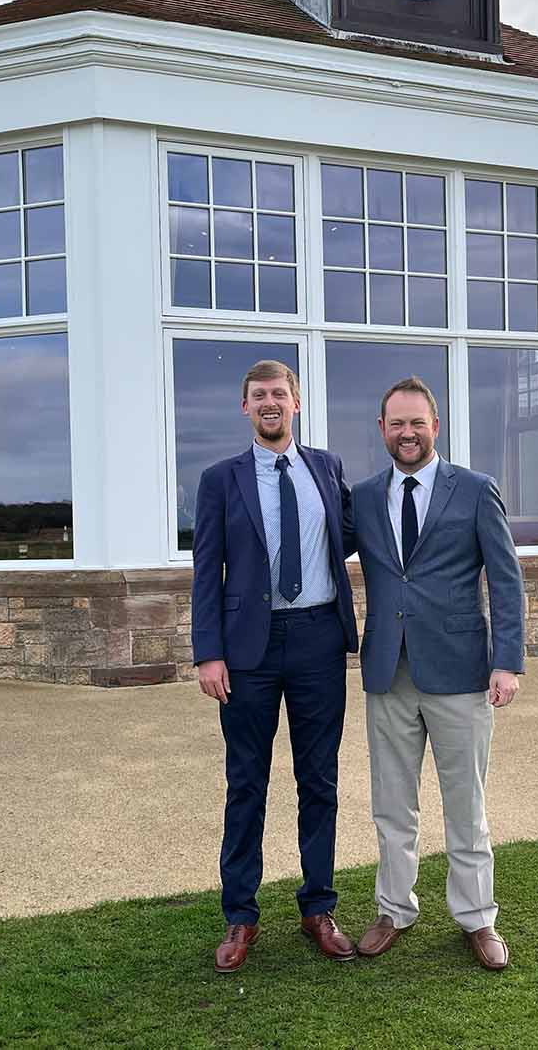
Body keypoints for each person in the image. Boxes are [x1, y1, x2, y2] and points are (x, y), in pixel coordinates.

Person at [347, 376, 525, 971]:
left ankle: (477, 918)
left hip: (461, 673)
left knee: (465, 804)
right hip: (387, 672)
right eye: (396, 423)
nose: (407, 433)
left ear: (436, 426)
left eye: (417, 422)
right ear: (382, 430)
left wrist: (507, 660)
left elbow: (505, 580)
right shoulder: (365, 498)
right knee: (391, 805)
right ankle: (394, 909)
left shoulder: (475, 491)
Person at [189, 360, 359, 973]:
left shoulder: (326, 467)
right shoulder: (219, 480)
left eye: (279, 394)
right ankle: (241, 916)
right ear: (245, 406)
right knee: (246, 783)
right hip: (246, 652)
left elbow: (348, 536)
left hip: (318, 639)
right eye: (258, 395)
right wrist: (208, 651)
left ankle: (318, 906)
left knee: (319, 781)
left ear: (296, 403)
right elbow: (207, 569)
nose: (270, 403)